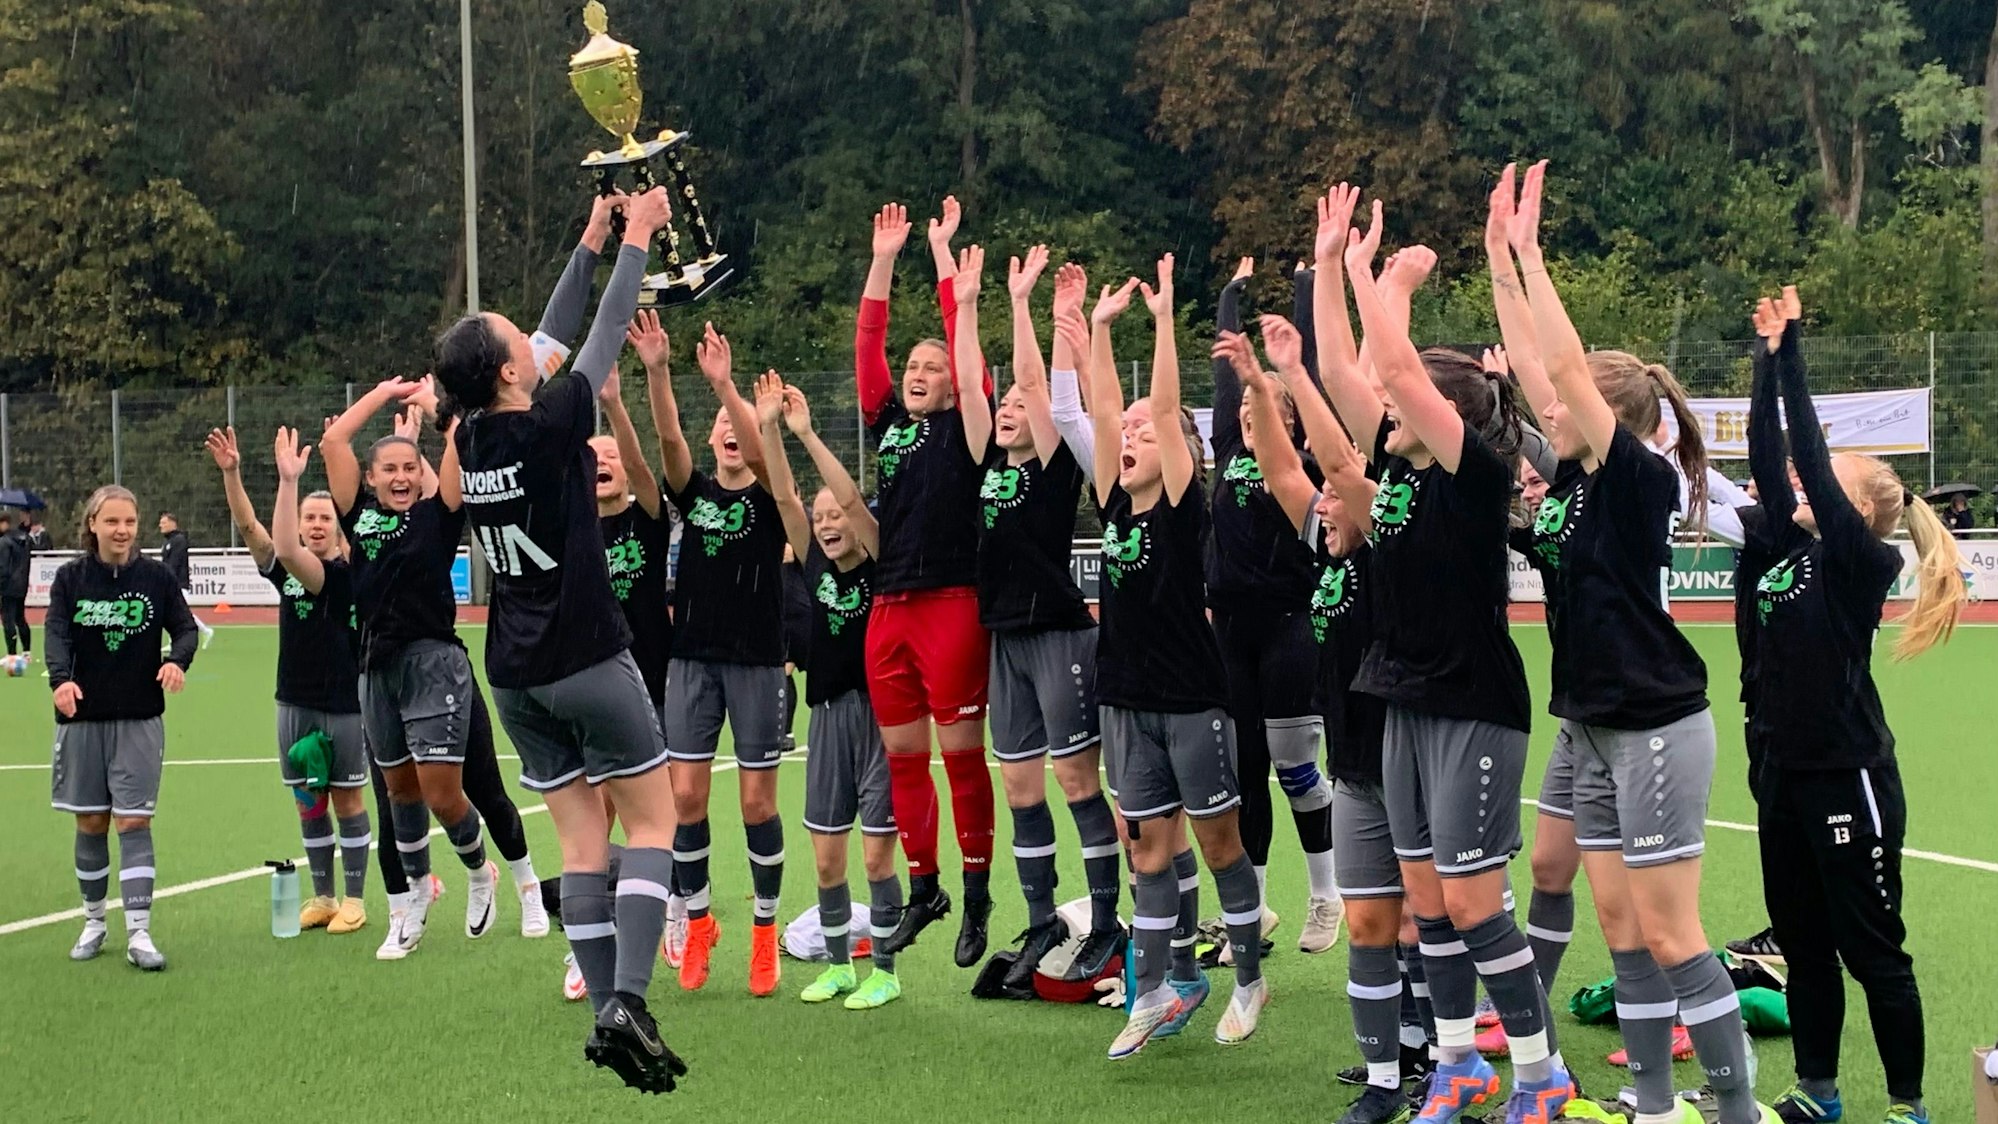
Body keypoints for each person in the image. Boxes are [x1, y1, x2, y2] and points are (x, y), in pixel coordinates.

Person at [1505, 161, 1775, 1124]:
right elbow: (1541, 378)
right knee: (1617, 918)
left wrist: (1534, 255)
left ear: (1609, 423)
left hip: (1655, 721)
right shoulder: (1573, 484)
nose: (1545, 416)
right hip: (1590, 720)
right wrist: (1501, 264)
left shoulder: (1634, 478)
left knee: (1669, 930)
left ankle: (1737, 1109)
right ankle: (1654, 1101)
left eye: (1565, 411)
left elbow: (1565, 371)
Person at [1314, 194, 1575, 1124]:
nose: (1384, 409)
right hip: (1403, 701)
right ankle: (1460, 1066)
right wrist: (1329, 260)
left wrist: (1374, 279)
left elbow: (1385, 365)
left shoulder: (1478, 476)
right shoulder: (1395, 480)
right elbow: (1350, 369)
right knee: (1428, 900)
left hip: (1472, 703)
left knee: (1473, 901)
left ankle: (1541, 1075)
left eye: (1405, 401)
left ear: (1446, 412)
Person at [433, 185, 686, 1093]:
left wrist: (588, 242)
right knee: (654, 821)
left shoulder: (472, 432)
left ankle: (602, 1012)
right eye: (517, 345)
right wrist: (639, 242)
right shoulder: (551, 422)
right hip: (587, 655)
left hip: (515, 674)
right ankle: (630, 997)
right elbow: (608, 329)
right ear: (508, 373)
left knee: (583, 842)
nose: (533, 347)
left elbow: (549, 334)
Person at [1743, 287, 1963, 1124]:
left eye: (1826, 479)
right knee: (1803, 949)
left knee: (1874, 952)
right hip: (1783, 778)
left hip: (1848, 779)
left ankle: (1907, 1107)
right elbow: (1772, 456)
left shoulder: (1854, 562)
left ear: (1859, 511)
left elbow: (1806, 453)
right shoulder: (1785, 549)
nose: (1803, 480)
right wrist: (1764, 366)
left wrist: (1793, 354)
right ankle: (1820, 1093)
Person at [1070, 252, 1268, 1058]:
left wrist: (1159, 321)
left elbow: (1149, 402)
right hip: (1124, 700)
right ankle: (1155, 991)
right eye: (1129, 438)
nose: (1132, 438)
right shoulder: (1116, 500)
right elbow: (1110, 405)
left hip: (1191, 700)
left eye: (1153, 434)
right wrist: (1098, 328)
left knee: (1219, 847)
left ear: (1181, 449)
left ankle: (1249, 978)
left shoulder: (1185, 508)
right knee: (1149, 851)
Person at [967, 246, 1123, 989]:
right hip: (1005, 640)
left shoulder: (1055, 464)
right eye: (1002, 409)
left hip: (1060, 633)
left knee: (1076, 781)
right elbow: (987, 387)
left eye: (1017, 408)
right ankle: (1038, 923)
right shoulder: (990, 466)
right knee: (1021, 789)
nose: (1007, 411)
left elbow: (1036, 384)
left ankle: (1106, 919)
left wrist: (1029, 307)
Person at [854, 199, 1000, 964]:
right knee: (905, 757)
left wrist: (944, 260)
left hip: (952, 603)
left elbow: (968, 358)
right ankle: (926, 888)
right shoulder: (889, 423)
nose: (916, 373)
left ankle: (977, 896)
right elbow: (868, 348)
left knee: (960, 755)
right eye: (911, 367)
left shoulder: (967, 426)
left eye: (930, 366)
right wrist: (883, 261)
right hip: (889, 607)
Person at [322, 379, 505, 961]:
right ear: (371, 478)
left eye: (409, 466)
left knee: (441, 794)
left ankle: (479, 872)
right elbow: (333, 441)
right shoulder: (358, 519)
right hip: (375, 665)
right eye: (389, 470)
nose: (400, 477)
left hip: (433, 661)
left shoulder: (439, 516)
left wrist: (434, 408)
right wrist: (381, 393)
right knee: (399, 789)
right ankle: (418, 896)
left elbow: (463, 440)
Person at [646, 321, 789, 1000]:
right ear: (710, 443)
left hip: (757, 661)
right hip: (693, 660)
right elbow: (669, 440)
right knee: (684, 797)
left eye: (736, 429)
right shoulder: (694, 495)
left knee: (758, 804)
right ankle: (699, 923)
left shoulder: (767, 497)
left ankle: (765, 930)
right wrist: (658, 372)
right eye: (719, 429)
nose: (728, 436)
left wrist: (726, 386)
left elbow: (762, 453)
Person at [1205, 255, 1344, 955]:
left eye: (1262, 404)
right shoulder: (1231, 445)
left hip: (1291, 622)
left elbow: (1308, 376)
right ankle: (1251, 912)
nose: (1245, 409)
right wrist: (1232, 299)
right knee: (1242, 773)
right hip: (1230, 628)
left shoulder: (1303, 463)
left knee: (1294, 771)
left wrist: (1303, 289)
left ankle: (1326, 894)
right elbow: (1228, 373)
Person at [757, 374, 906, 1010]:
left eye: (835, 514)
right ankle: (842, 965)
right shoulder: (813, 560)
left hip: (881, 718)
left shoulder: (878, 557)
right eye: (819, 520)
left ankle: (888, 970)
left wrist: (807, 433)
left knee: (877, 861)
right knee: (826, 863)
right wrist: (766, 428)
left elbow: (849, 499)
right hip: (827, 719)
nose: (825, 524)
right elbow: (786, 496)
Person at [204, 425, 373, 934]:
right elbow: (252, 527)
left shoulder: (340, 576)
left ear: (341, 532)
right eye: (308, 518)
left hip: (343, 704)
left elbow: (287, 544)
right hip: (292, 700)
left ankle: (355, 898)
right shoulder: (288, 571)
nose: (317, 525)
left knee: (346, 800)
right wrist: (233, 474)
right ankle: (322, 895)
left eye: (325, 518)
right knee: (307, 799)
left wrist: (290, 481)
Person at [47, 484, 197, 970]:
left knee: (134, 822)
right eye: (111, 521)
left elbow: (187, 628)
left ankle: (139, 934)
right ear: (93, 524)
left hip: (139, 718)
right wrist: (60, 681)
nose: (122, 530)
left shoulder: (155, 577)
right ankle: (93, 922)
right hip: (83, 719)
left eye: (129, 522)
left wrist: (177, 661)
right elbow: (56, 632)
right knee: (91, 822)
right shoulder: (71, 578)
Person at [155, 512, 216, 650]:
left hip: (179, 584)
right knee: (176, 613)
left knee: (181, 613)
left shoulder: (179, 540)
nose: (160, 525)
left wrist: (168, 580)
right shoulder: (168, 541)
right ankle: (202, 632)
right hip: (173, 583)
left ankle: (205, 631)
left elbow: (174, 563)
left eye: (163, 522)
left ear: (172, 523)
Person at [0, 509, 26, 660]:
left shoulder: (4, 542)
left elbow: (3, 566)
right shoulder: (23, 539)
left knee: (8, 620)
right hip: (21, 585)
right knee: (20, 618)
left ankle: (11, 653)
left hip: (8, 586)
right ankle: (27, 652)